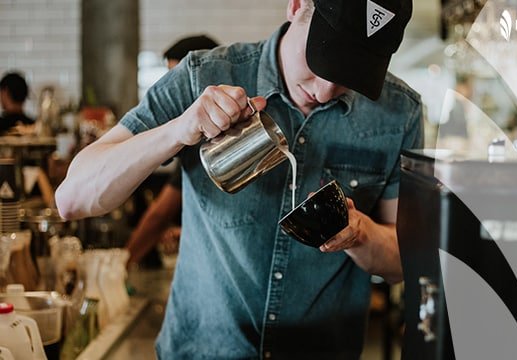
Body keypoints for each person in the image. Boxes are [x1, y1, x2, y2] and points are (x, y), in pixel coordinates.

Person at [56, 0, 422, 357]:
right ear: (296, 7)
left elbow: (403, 263)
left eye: (350, 74)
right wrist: (179, 130)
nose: (324, 91)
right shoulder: (203, 75)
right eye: (323, 58)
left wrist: (359, 233)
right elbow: (73, 198)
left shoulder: (398, 113)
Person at [126, 35, 219, 268]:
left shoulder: (211, 136)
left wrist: (121, 265)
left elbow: (160, 215)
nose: (174, 91)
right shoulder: (194, 131)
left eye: (179, 79)